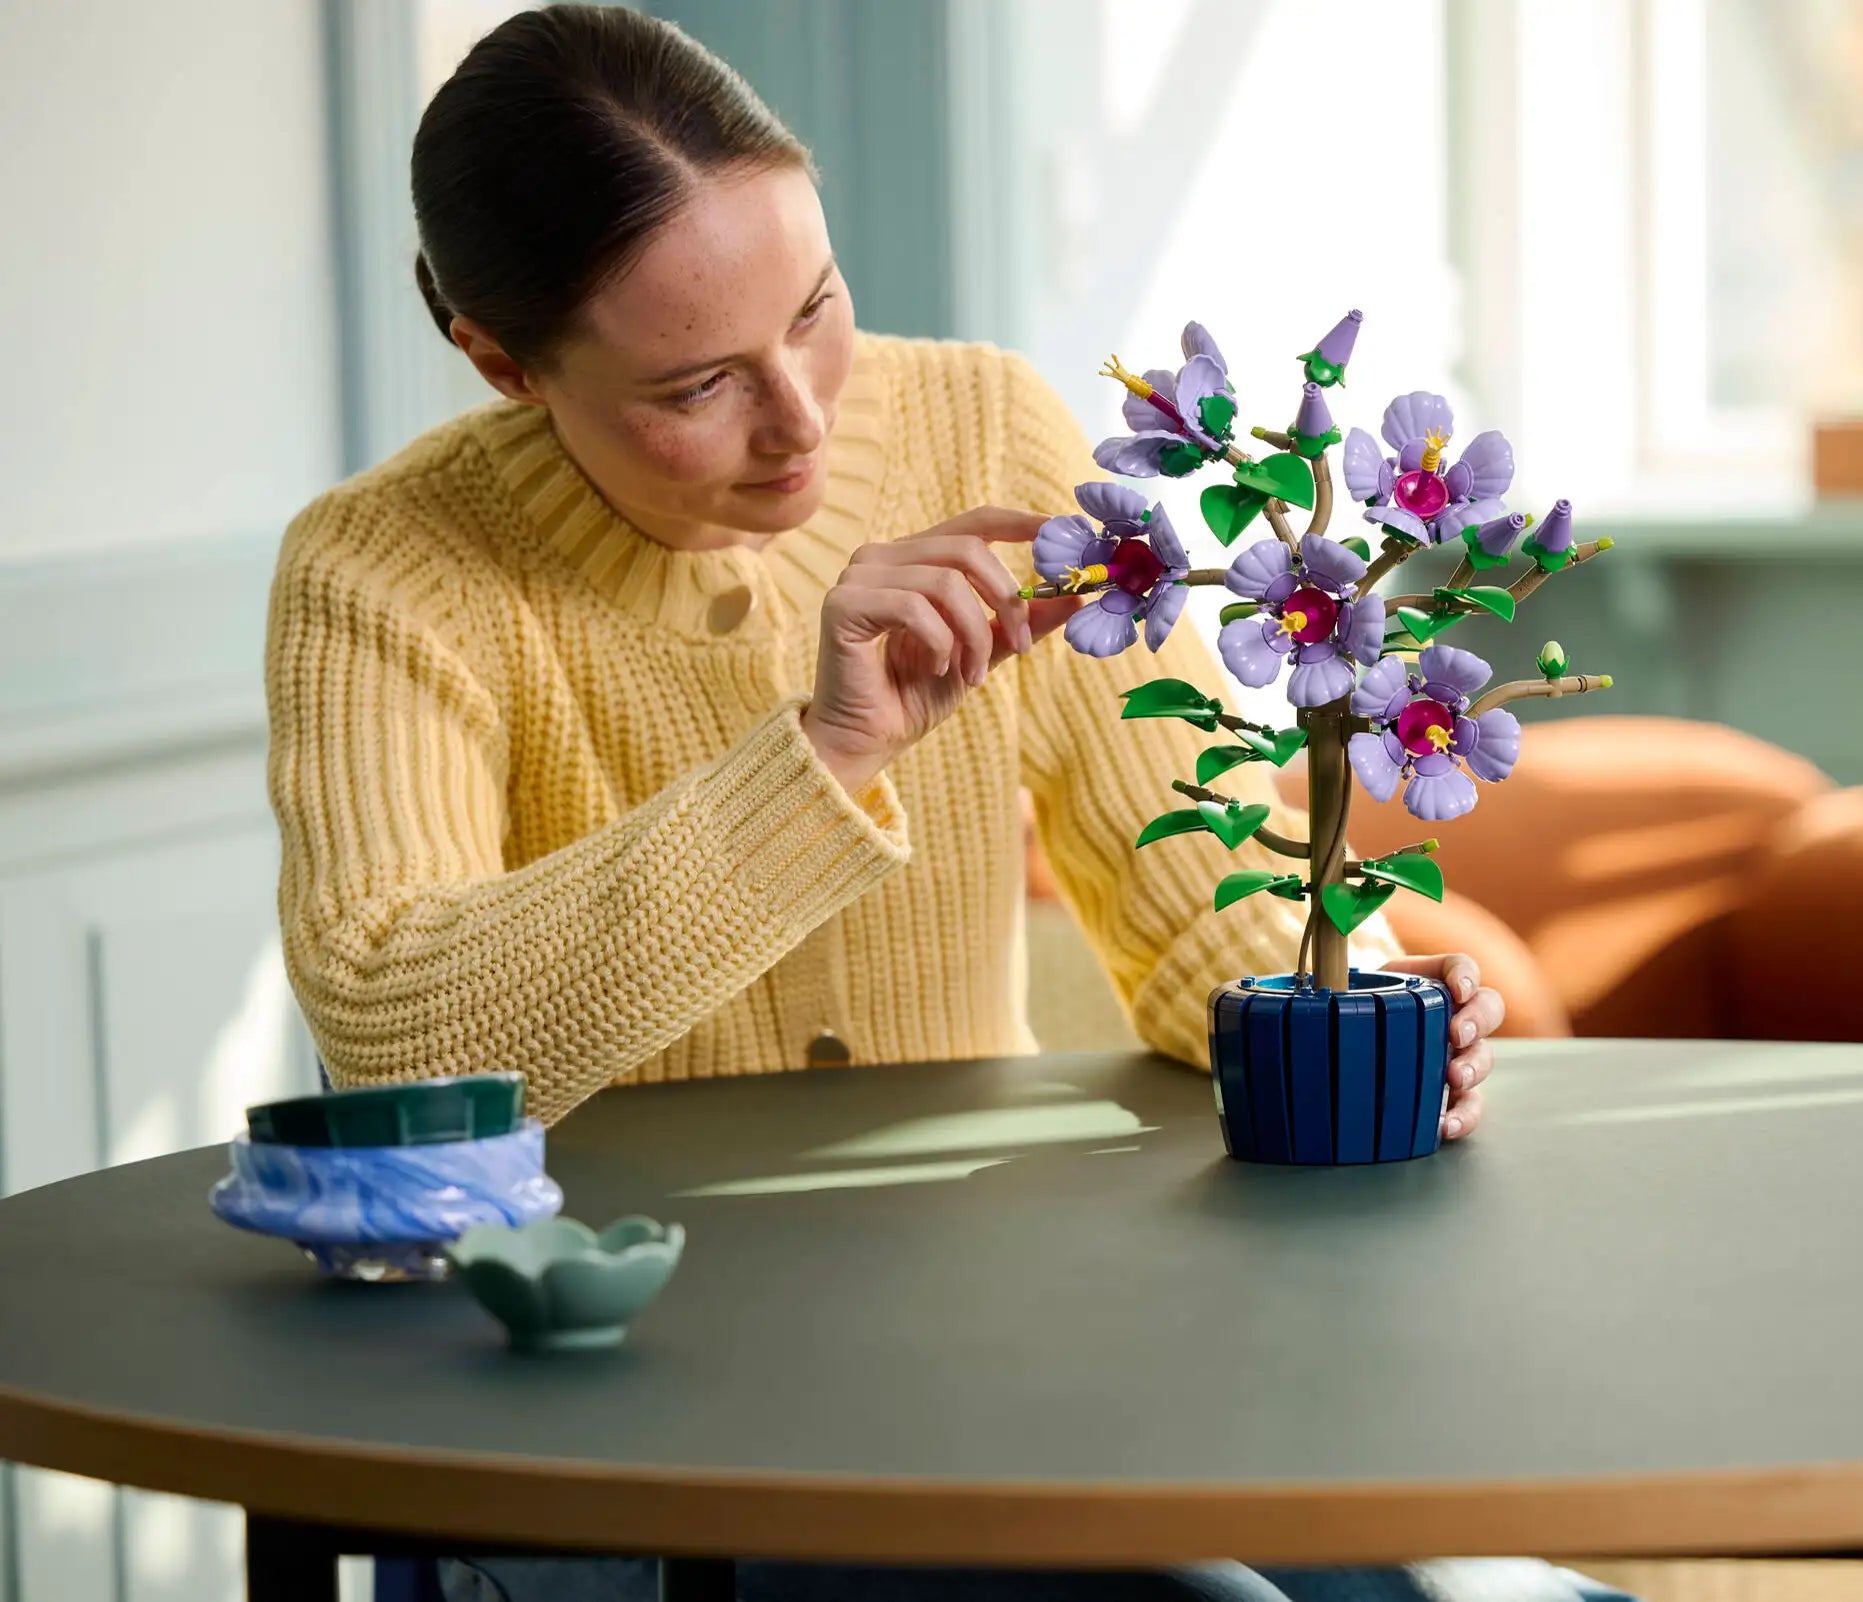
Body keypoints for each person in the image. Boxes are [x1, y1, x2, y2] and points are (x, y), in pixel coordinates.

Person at [267, 9, 1603, 1600]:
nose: (802, 416)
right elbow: (398, 1042)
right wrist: (821, 759)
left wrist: (1354, 1006)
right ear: (502, 358)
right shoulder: (385, 572)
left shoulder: (983, 428)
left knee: (1507, 1594)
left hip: (1004, 1366)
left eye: (816, 306)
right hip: (601, 1446)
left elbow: (1203, 904)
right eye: (698, 383)